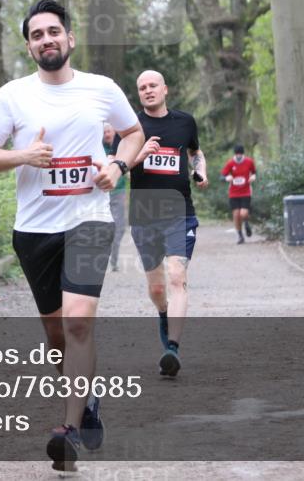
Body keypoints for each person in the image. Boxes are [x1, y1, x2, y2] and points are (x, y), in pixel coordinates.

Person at [0, 0, 144, 472]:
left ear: (70, 38)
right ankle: (85, 401)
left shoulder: (101, 88)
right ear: (29, 46)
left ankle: (67, 429)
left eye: (54, 31)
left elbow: (132, 134)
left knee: (77, 323)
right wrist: (23, 156)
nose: (46, 40)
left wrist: (116, 164)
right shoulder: (12, 96)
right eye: (36, 35)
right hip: (34, 230)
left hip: (89, 219)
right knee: (56, 333)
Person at [122, 70, 207, 378]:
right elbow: (117, 167)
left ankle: (172, 348)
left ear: (165, 89)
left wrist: (201, 170)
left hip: (179, 214)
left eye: (152, 85)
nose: (148, 90)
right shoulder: (131, 128)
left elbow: (196, 153)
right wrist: (139, 154)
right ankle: (162, 313)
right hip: (144, 218)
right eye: (142, 87)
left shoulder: (185, 122)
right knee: (158, 288)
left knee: (176, 277)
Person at [102, 122, 128, 271]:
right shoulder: (97, 146)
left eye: (109, 131)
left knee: (119, 227)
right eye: (104, 132)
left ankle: (114, 260)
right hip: (102, 192)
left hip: (118, 191)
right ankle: (104, 259)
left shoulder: (122, 146)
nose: (107, 134)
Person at [222, 145, 257, 244]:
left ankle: (246, 223)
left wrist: (253, 177)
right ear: (235, 154)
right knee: (236, 215)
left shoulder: (249, 162)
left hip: (246, 191)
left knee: (243, 213)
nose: (239, 156)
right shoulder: (230, 163)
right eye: (237, 154)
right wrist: (226, 178)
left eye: (240, 154)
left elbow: (254, 172)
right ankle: (240, 235)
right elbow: (222, 175)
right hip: (233, 193)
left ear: (243, 154)